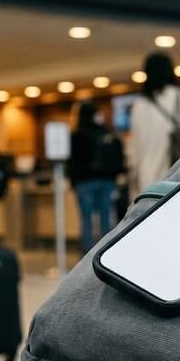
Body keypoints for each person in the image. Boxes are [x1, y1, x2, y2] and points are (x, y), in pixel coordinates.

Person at [128, 52, 180, 195]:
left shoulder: (139, 105)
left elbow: (134, 148)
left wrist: (133, 174)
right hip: (178, 174)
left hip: (147, 178)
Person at [69, 101, 124, 251]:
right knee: (106, 218)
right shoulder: (106, 133)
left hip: (85, 182)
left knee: (87, 220)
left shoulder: (77, 135)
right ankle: (107, 252)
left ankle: (87, 255)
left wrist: (73, 182)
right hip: (107, 181)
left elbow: (72, 162)